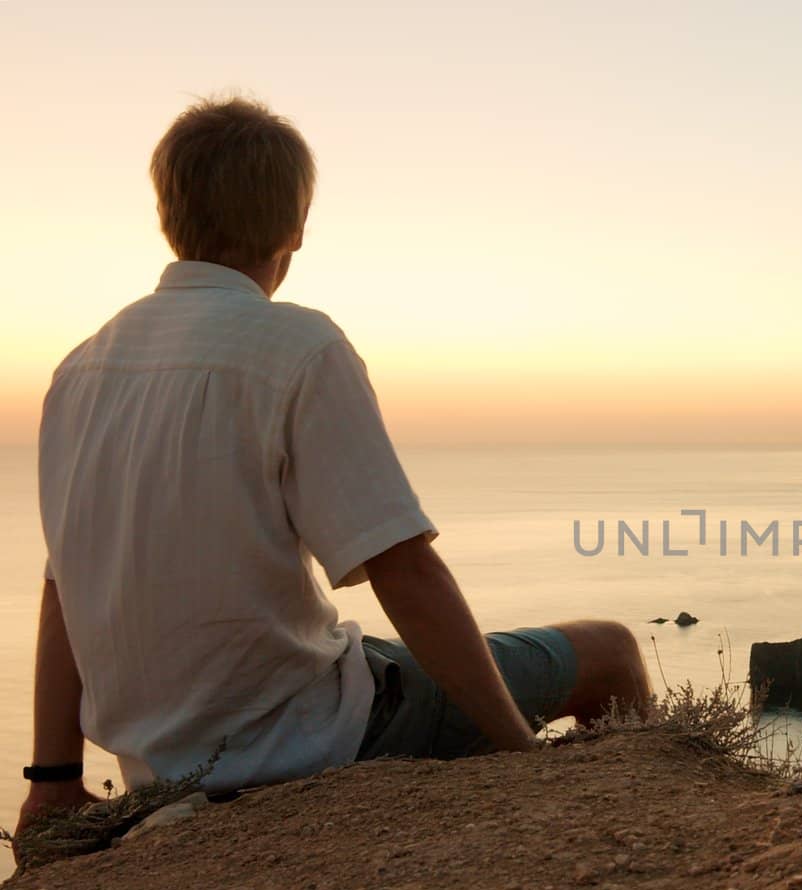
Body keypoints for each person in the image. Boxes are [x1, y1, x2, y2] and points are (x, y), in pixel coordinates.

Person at [16, 96, 649, 837]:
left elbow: (65, 583)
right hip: (315, 738)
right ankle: (625, 836)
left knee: (366, 649)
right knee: (610, 650)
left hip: (166, 768)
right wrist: (519, 754)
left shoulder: (79, 371)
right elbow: (405, 573)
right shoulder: (298, 348)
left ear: (168, 214)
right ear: (295, 228)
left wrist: (52, 779)